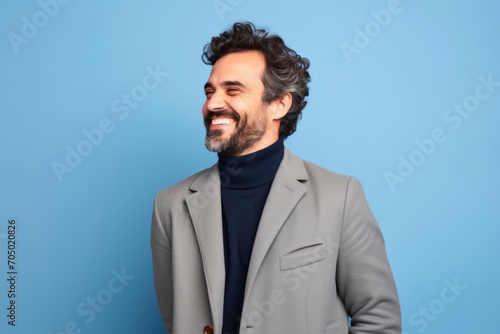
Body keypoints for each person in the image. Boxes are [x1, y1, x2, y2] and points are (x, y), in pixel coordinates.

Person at [151, 22, 401, 334]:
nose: (213, 103)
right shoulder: (170, 205)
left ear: (279, 104)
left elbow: (379, 319)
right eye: (209, 91)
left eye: (233, 90)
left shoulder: (340, 196)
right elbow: (177, 317)